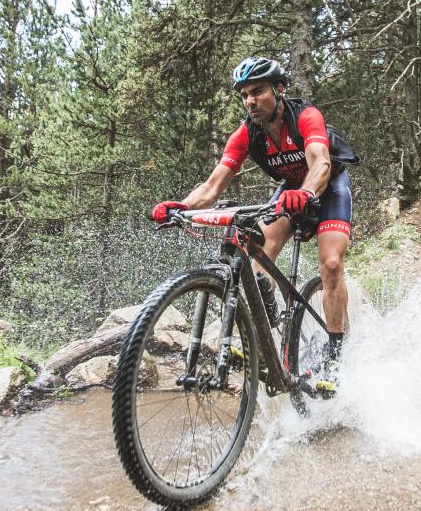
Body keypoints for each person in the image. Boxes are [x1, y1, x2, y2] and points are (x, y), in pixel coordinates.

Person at [151, 56, 352, 384]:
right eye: (244, 95)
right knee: (257, 253)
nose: (250, 101)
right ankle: (265, 329)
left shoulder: (306, 117)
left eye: (258, 91)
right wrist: (180, 206)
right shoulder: (246, 134)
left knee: (330, 265)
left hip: (328, 188)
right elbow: (213, 186)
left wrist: (307, 192)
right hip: (290, 192)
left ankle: (335, 354)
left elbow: (320, 164)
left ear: (279, 90)